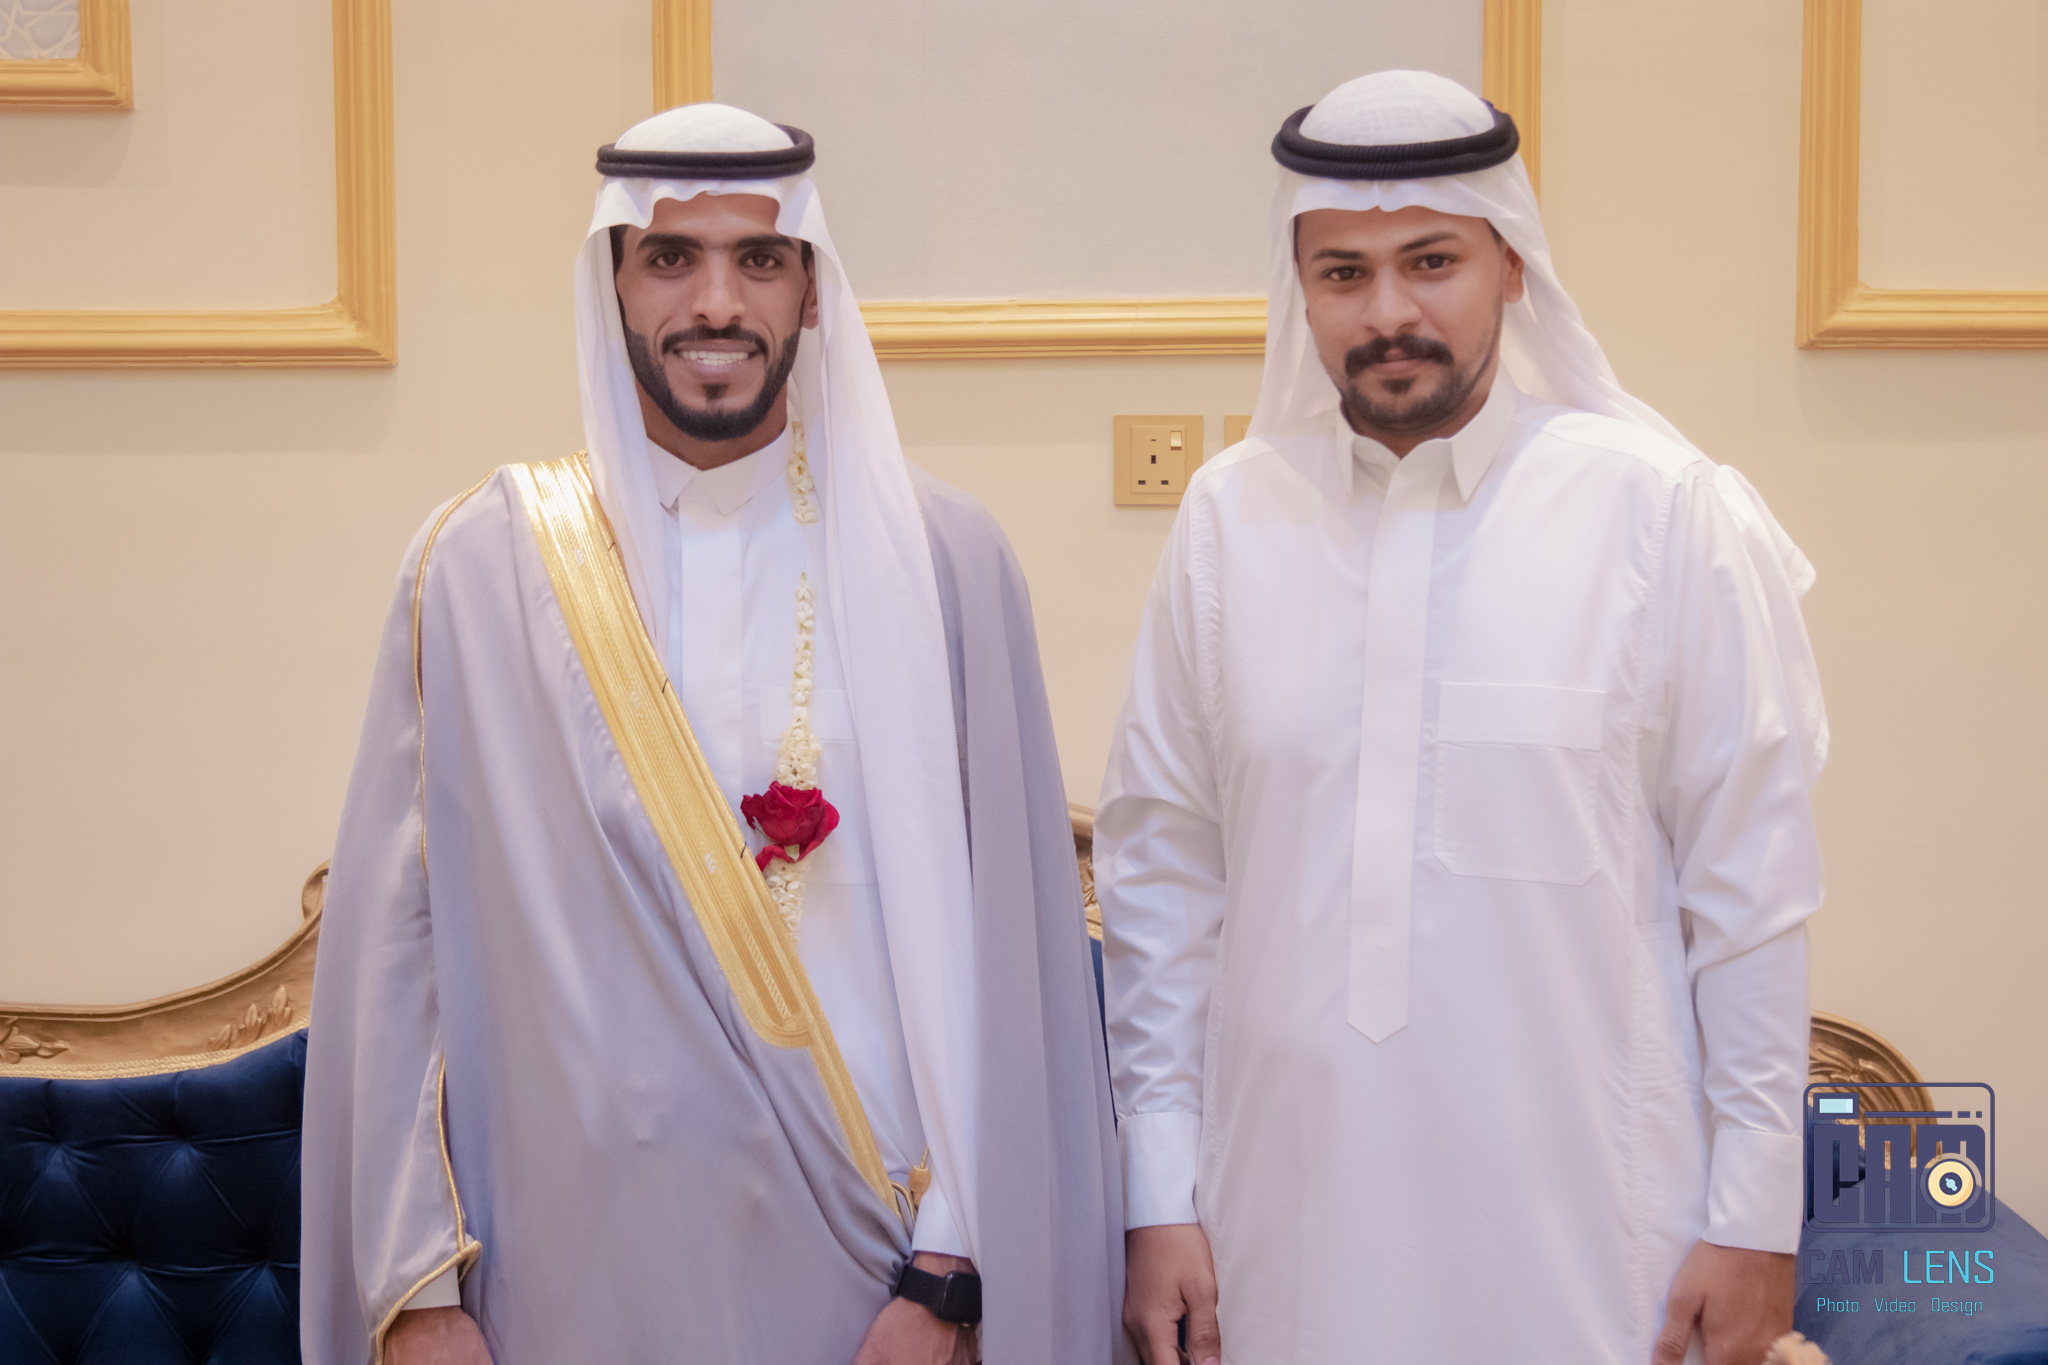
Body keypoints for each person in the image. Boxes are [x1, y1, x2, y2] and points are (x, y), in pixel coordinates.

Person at [301, 103, 1123, 1365]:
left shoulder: (942, 560)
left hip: (880, 1277)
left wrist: (954, 1273)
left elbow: (1008, 959)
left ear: (811, 288)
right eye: (670, 258)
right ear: (612, 283)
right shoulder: (480, 568)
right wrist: (415, 1290)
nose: (716, 302)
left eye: (760, 258)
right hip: (565, 1280)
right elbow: (396, 954)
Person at [1098, 70, 1826, 1365]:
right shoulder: (1227, 522)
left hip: (1594, 1233)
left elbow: (1750, 889)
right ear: (1300, 290)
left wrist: (1757, 1218)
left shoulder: (1660, 513)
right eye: (1342, 273)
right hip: (1285, 1221)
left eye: (1430, 262)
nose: (1388, 312)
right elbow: (1162, 884)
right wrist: (1158, 1195)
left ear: (1512, 266)